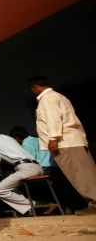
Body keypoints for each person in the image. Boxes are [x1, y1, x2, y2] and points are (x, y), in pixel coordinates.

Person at [30, 75, 96, 212]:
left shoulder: (47, 98)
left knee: (79, 173)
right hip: (71, 141)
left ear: (35, 87)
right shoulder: (58, 96)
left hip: (65, 142)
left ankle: (94, 201)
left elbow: (53, 118)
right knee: (85, 172)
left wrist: (53, 138)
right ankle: (92, 201)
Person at [0, 125, 50, 215]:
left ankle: (36, 204)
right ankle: (30, 209)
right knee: (11, 187)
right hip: (37, 167)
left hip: (26, 168)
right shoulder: (8, 138)